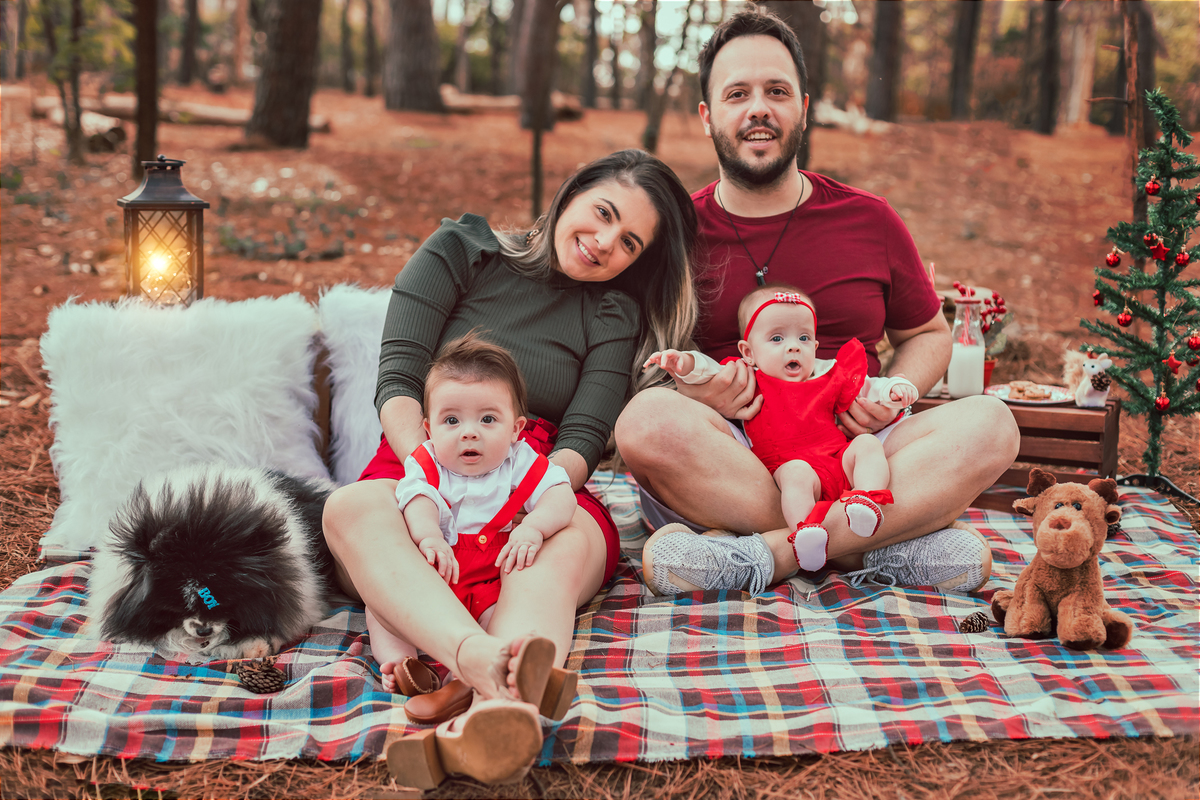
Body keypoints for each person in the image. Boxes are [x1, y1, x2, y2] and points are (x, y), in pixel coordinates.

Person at [322, 149, 698, 788]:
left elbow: (582, 438)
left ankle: (497, 718)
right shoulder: (462, 251)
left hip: (535, 479)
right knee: (350, 508)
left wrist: (526, 505)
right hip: (421, 461)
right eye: (603, 213)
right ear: (571, 193)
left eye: (630, 242)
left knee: (560, 541)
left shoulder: (613, 312)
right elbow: (399, 380)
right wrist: (431, 479)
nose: (605, 242)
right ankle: (479, 663)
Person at [615, 7, 1019, 598]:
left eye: (777, 91)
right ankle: (874, 547)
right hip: (740, 456)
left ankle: (766, 555)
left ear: (803, 108)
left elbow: (928, 334)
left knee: (994, 424)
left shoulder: (869, 219)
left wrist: (893, 392)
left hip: (863, 452)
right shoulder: (675, 234)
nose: (759, 109)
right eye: (737, 94)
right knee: (645, 422)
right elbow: (638, 360)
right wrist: (693, 391)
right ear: (708, 116)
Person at [643, 286, 919, 579]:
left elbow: (869, 387)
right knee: (796, 473)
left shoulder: (828, 374)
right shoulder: (748, 379)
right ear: (748, 352)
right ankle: (806, 532)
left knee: (866, 444)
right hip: (788, 470)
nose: (793, 347)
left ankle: (865, 500)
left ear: (815, 346)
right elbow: (707, 371)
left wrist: (894, 390)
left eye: (804, 338)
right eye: (777, 338)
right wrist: (683, 363)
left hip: (838, 460)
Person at [367, 334, 577, 696]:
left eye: (487, 419)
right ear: (429, 429)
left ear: (515, 429)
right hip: (435, 573)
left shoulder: (520, 460)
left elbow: (561, 495)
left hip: (491, 580)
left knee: (507, 618)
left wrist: (534, 527)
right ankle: (402, 664)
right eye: (451, 420)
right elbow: (418, 498)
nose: (469, 433)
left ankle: (492, 671)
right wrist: (428, 536)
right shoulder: (427, 461)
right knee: (382, 608)